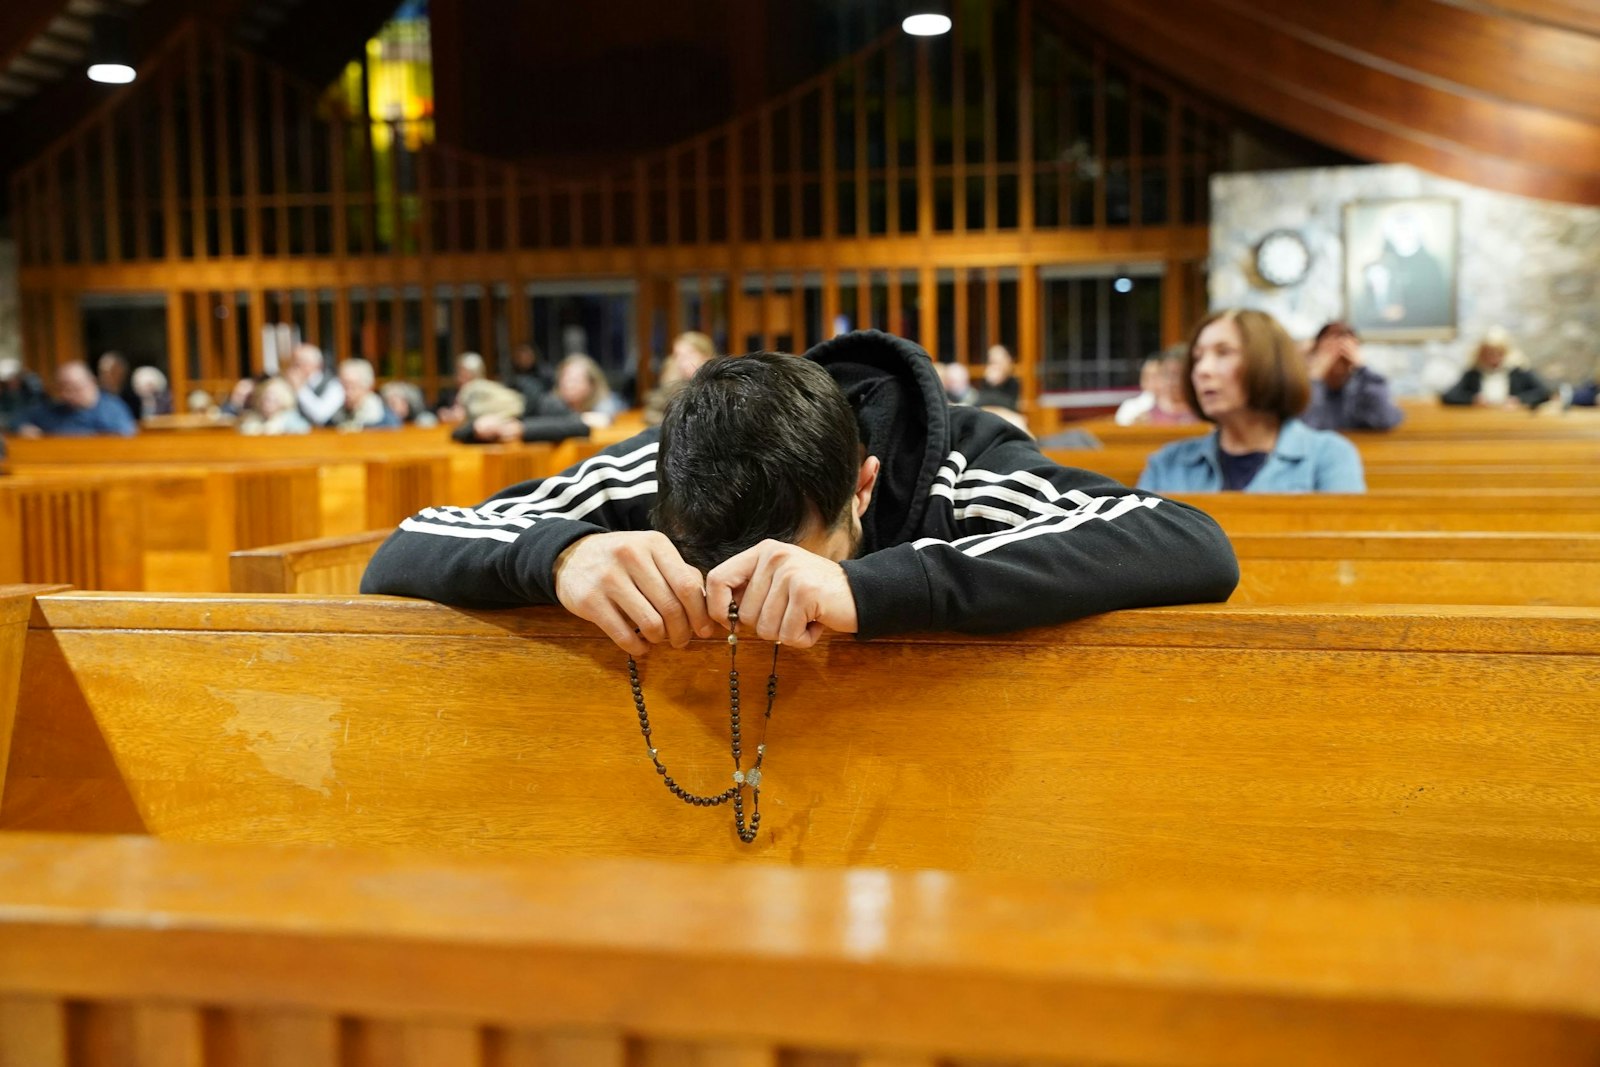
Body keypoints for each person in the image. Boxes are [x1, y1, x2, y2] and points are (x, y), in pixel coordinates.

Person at [362, 330, 1240, 654]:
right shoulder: (662, 463)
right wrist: (561, 554)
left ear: (863, 487)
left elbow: (1190, 540)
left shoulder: (968, 466)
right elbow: (401, 547)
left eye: (788, 561)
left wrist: (865, 587)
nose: (742, 610)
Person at [1137, 309, 1364, 493]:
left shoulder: (1328, 456)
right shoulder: (1167, 464)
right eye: (1197, 358)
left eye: (1223, 353)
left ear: (1270, 363)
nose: (1202, 370)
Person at [1301, 322, 1403, 432]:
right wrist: (1316, 374)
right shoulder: (1305, 386)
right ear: (1315, 352)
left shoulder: (1363, 387)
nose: (1338, 352)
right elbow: (1301, 426)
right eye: (1329, 346)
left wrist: (1362, 368)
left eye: (1347, 348)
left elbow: (1385, 418)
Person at [13, 361, 138, 438]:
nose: (67, 394)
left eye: (74, 388)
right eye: (62, 388)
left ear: (91, 382)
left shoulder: (113, 409)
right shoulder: (53, 409)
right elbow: (17, 421)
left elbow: (126, 438)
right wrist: (24, 428)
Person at [1441, 327, 1553, 410]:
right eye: (1488, 353)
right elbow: (1449, 396)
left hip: (1515, 422)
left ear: (1506, 352)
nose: (1493, 358)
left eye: (1498, 353)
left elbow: (1544, 392)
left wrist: (1519, 400)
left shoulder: (1519, 372)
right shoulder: (1473, 374)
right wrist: (1472, 399)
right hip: (1480, 423)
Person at [643, 332, 715, 427]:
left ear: (705, 356)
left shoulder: (717, 380)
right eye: (677, 355)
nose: (681, 361)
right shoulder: (674, 380)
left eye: (688, 354)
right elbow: (651, 411)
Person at [283, 344, 344, 427]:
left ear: (316, 364)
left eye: (298, 364)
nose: (294, 368)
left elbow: (320, 415)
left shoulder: (333, 385)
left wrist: (300, 389)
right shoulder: (287, 384)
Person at [330, 358, 401, 430]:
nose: (346, 392)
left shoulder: (385, 422)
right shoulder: (335, 418)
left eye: (351, 386)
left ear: (367, 387)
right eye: (343, 385)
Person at [1138, 348, 1199, 426]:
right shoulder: (1145, 419)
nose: (1172, 381)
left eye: (1178, 374)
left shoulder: (1203, 414)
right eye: (1167, 374)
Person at [238, 377, 311, 436]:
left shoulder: (290, 419)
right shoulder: (251, 419)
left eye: (273, 399)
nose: (267, 403)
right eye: (265, 398)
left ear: (283, 401)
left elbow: (304, 430)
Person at [436, 352, 486, 425]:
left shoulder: (484, 392)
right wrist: (444, 412)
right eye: (458, 373)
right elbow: (436, 409)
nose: (459, 378)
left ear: (475, 375)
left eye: (463, 374)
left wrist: (464, 416)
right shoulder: (451, 392)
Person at [0, 358, 47, 431]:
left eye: (15, 378)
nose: (13, 382)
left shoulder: (31, 395)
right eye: (9, 379)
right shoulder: (4, 397)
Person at [973, 344, 1021, 411]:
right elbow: (979, 403)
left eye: (998, 362)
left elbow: (1010, 405)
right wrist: (991, 383)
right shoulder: (986, 381)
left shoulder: (1014, 382)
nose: (995, 367)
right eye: (992, 362)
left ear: (1008, 362)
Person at [1114, 356, 1160, 425]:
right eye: (1152, 377)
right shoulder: (1129, 407)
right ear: (1143, 380)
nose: (1156, 381)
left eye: (1159, 376)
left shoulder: (1177, 406)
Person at [509, 343, 554, 408]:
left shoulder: (545, 373)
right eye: (522, 357)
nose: (525, 359)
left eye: (528, 356)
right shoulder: (513, 378)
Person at [96, 352, 139, 417]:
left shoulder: (132, 398)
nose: (104, 376)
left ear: (121, 372)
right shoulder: (95, 397)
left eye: (109, 372)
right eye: (101, 372)